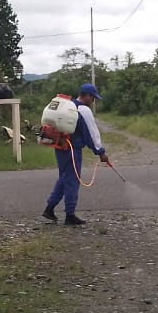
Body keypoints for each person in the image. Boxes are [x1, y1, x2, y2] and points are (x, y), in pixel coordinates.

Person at [43, 83, 109, 226]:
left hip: (61, 147)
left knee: (64, 179)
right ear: (87, 96)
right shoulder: (83, 110)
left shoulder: (70, 106)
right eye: (93, 98)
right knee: (72, 180)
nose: (93, 101)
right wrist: (100, 152)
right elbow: (91, 133)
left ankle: (49, 208)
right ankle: (70, 215)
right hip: (72, 150)